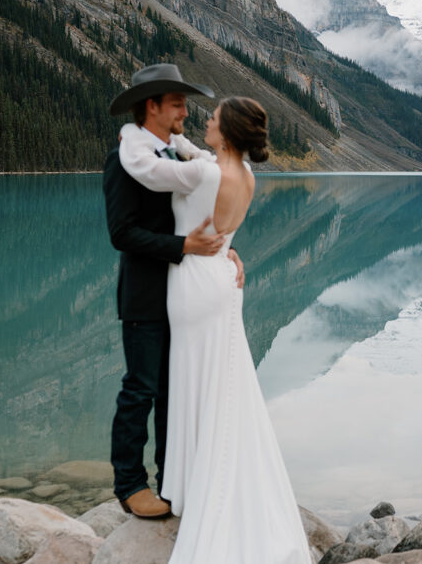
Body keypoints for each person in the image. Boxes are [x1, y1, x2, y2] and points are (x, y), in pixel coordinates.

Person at [116, 96, 311, 563]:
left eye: (214, 118)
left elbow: (144, 169)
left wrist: (129, 132)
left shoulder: (205, 173)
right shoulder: (245, 175)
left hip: (194, 282)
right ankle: (193, 482)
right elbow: (191, 154)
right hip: (222, 277)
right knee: (221, 383)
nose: (205, 120)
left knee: (192, 382)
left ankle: (189, 487)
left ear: (227, 132)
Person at [103, 63, 245, 519]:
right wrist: (184, 246)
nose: (186, 110)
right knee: (140, 389)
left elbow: (204, 212)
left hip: (184, 295)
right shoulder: (124, 160)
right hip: (146, 295)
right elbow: (121, 234)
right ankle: (129, 485)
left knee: (174, 391)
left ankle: (172, 481)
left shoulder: (179, 157)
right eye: (178, 103)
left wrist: (226, 250)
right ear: (153, 106)